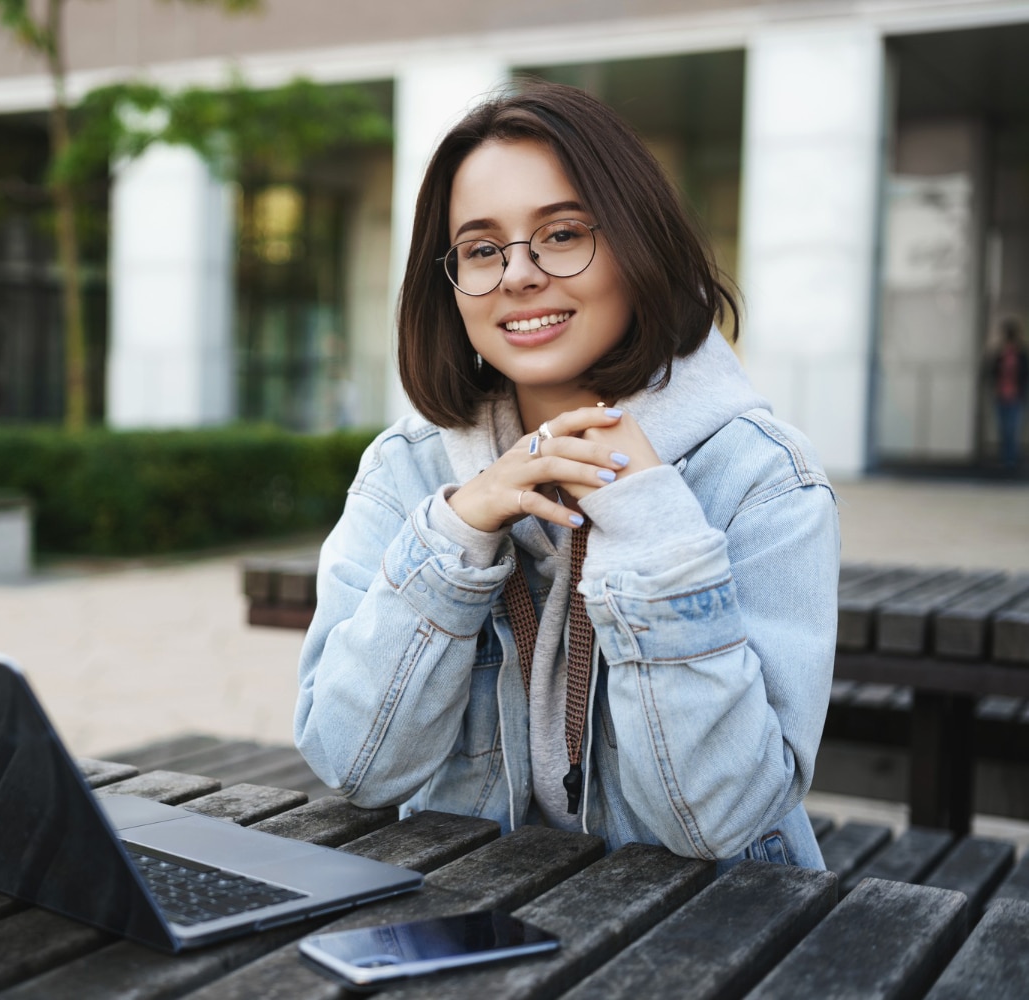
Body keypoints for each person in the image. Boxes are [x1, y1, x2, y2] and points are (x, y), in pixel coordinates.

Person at [294, 83, 840, 872]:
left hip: (712, 937)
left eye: (561, 234)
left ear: (637, 242)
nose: (519, 275)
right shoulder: (406, 469)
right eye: (482, 249)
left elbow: (718, 823)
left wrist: (656, 531)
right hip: (477, 917)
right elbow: (354, 766)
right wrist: (456, 536)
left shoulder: (763, 476)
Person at [990, 318, 1028, 471]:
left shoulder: (1022, 355)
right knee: (1004, 429)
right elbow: (992, 372)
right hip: (1001, 396)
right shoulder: (1000, 355)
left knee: (1013, 429)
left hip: (1016, 397)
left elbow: (1025, 375)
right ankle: (1005, 459)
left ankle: (1011, 460)